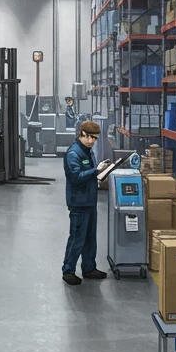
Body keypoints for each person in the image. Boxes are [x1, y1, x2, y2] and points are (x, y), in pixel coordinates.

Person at [62, 119, 109, 285]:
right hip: (79, 203)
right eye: (88, 137)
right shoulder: (74, 154)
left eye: (94, 139)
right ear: (80, 134)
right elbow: (75, 178)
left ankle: (89, 267)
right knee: (77, 238)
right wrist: (96, 170)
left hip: (90, 201)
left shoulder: (88, 152)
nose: (91, 141)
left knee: (90, 238)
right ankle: (68, 270)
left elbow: (88, 174)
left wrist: (101, 174)